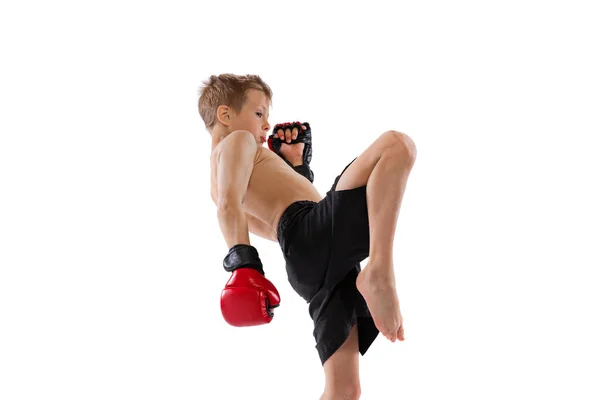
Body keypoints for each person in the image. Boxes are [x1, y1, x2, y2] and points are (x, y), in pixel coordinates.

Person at [198, 73, 417, 399]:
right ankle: (380, 272)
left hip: (309, 260)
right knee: (397, 145)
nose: (267, 125)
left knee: (343, 390)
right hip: (310, 234)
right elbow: (235, 207)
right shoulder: (237, 140)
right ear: (226, 115)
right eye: (259, 114)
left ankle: (374, 275)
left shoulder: (218, 179)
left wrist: (297, 168)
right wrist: (242, 264)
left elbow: (267, 215)